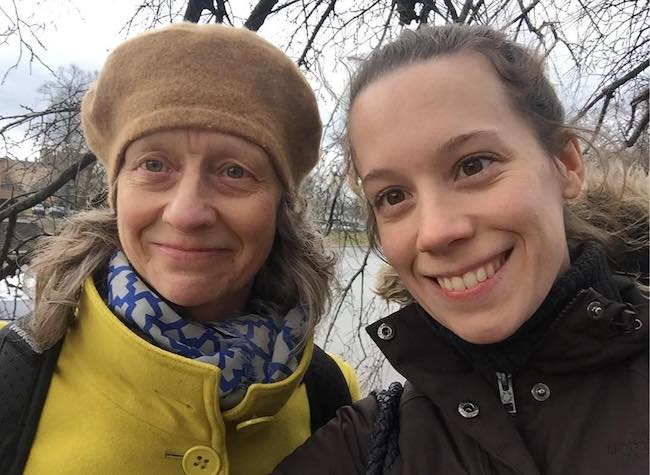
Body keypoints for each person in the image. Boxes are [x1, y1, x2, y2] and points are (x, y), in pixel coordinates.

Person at [274, 24, 648, 474]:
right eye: (393, 196)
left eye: (473, 165)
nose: (435, 232)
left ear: (566, 165)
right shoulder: (368, 447)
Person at [0, 23, 360, 475]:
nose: (186, 213)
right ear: (116, 194)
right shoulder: (10, 374)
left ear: (279, 207)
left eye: (234, 171)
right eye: (154, 165)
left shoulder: (333, 397)